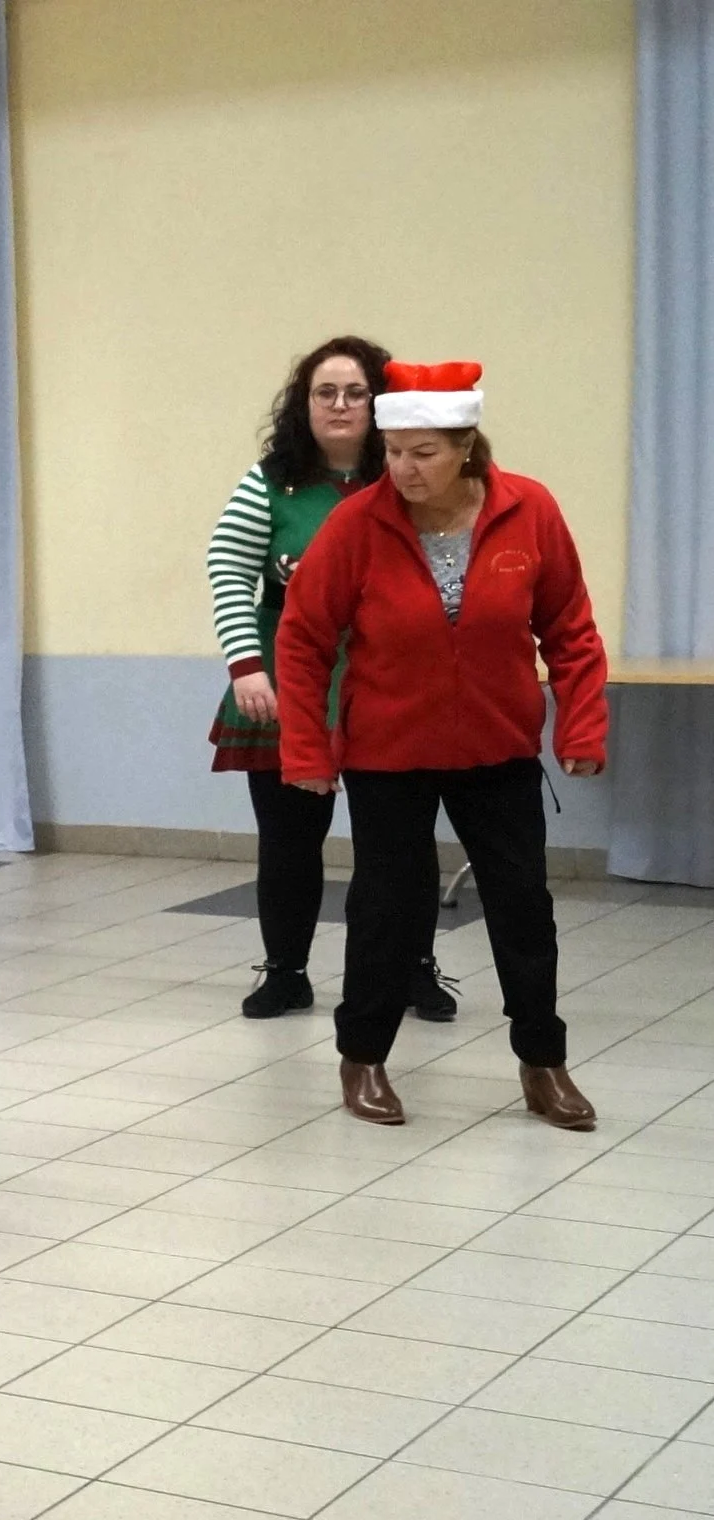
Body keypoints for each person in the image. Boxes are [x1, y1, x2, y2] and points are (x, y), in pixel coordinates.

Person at [278, 361, 606, 1131]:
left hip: (497, 748)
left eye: (422, 453)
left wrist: (581, 726)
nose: (403, 468)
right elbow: (301, 640)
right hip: (387, 752)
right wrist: (306, 751)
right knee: (388, 909)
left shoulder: (528, 510)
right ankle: (362, 1057)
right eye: (393, 452)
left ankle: (542, 1063)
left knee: (522, 908)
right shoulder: (357, 524)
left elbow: (569, 629)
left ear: (465, 447)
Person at [207, 337, 459, 1024]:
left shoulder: (407, 477)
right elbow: (227, 565)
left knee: (400, 841)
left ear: (380, 404)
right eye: (325, 392)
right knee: (288, 839)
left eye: (355, 393)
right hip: (287, 677)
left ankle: (412, 968)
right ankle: (286, 973)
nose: (340, 405)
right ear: (305, 403)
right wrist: (246, 666)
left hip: (388, 681)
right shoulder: (271, 480)